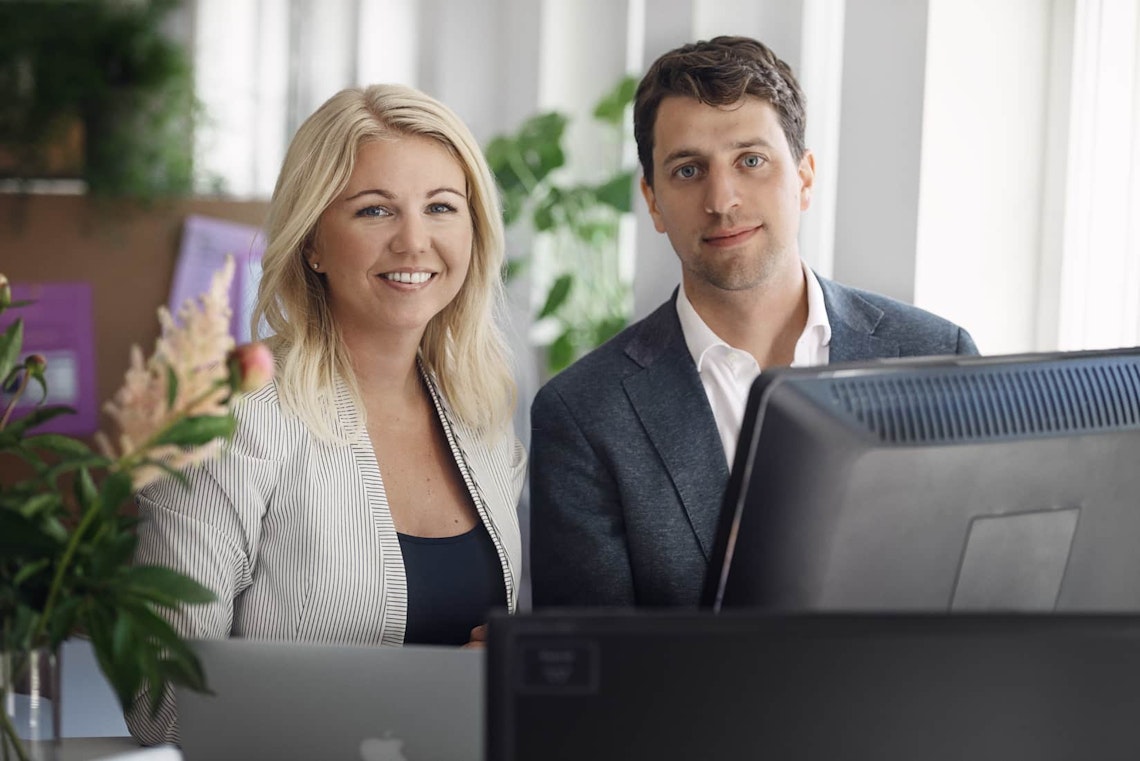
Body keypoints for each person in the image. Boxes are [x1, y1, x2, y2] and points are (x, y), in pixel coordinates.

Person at [126, 84, 525, 744]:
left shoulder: (480, 417)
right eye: (374, 211)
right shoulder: (230, 416)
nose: (415, 241)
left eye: (441, 207)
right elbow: (160, 697)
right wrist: (431, 690)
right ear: (313, 242)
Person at [529, 36, 978, 609]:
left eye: (751, 160)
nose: (722, 199)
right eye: (688, 170)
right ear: (653, 201)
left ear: (805, 178)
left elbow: (968, 596)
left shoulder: (934, 355)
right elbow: (595, 665)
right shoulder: (585, 412)